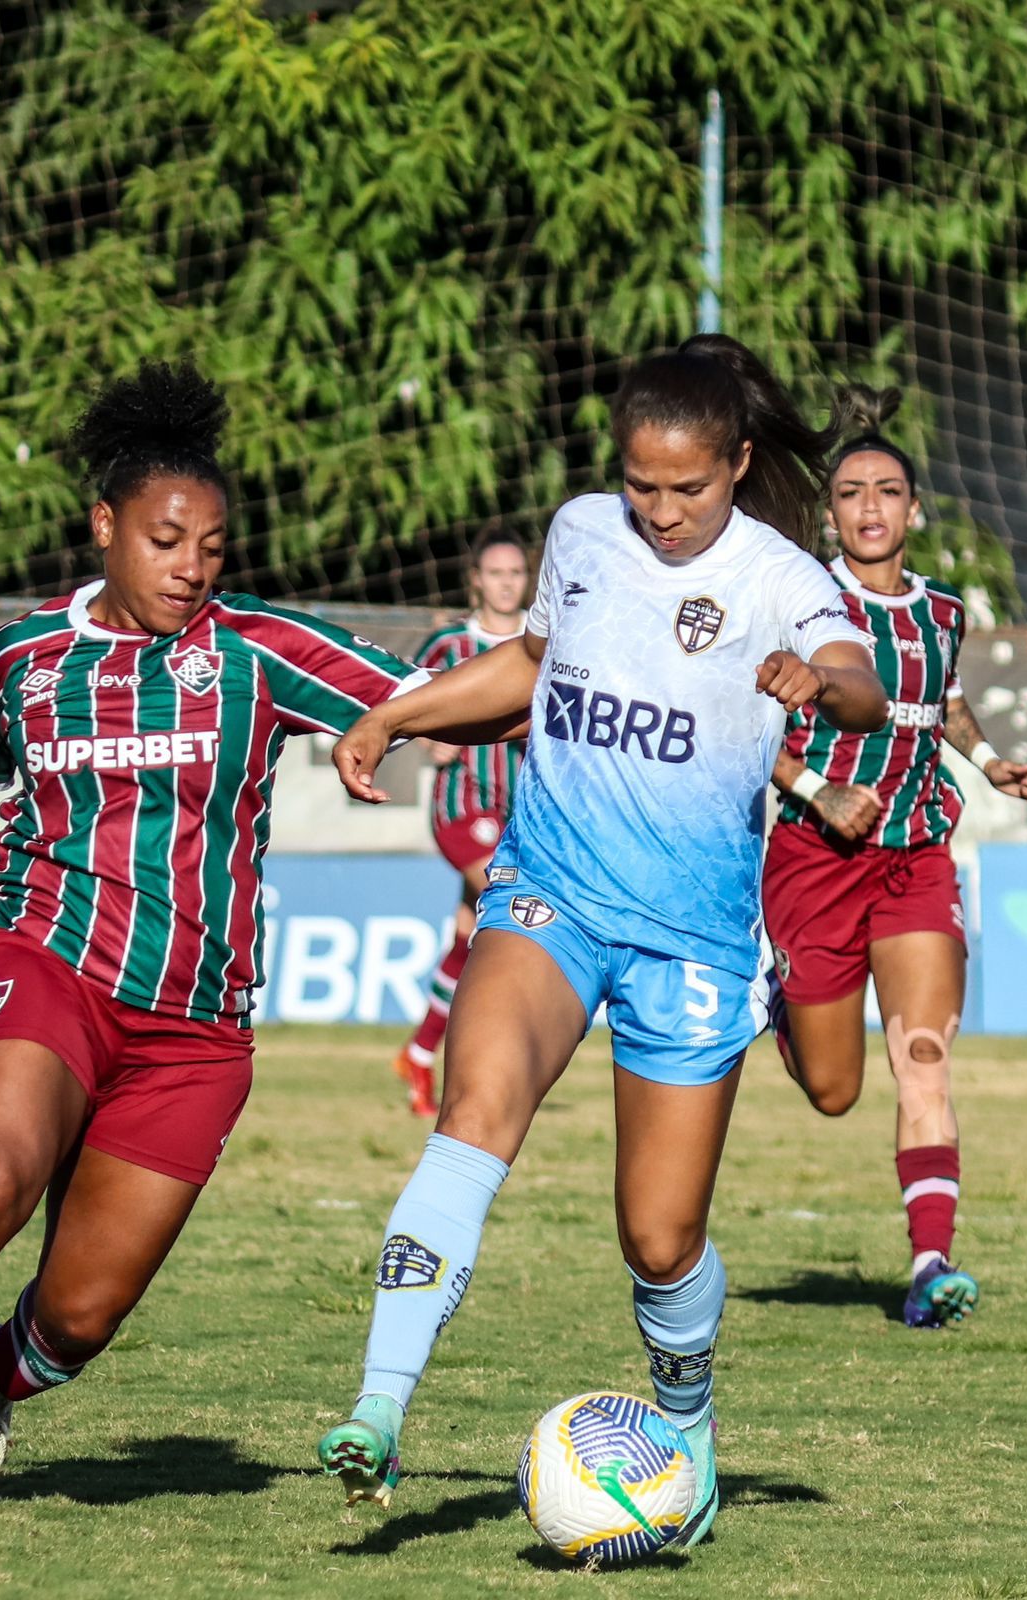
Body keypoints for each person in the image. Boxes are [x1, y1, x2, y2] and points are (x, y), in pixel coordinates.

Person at [0, 360, 470, 1531]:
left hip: (194, 1033)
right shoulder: (19, 658)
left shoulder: (258, 649)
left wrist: (542, 685)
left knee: (77, 1320)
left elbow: (438, 696)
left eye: (210, 546)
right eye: (165, 539)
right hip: (37, 959)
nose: (191, 566)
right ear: (105, 527)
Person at [315, 335, 887, 1553]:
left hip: (690, 942)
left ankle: (685, 1422)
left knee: (658, 1235)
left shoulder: (785, 576)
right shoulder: (580, 534)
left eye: (689, 486)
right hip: (550, 892)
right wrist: (401, 716)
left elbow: (859, 682)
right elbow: (532, 665)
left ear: (736, 463)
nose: (664, 511)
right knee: (475, 1111)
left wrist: (815, 682)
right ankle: (377, 1404)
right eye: (643, 484)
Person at [762, 386, 1027, 1330]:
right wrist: (818, 792)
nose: (871, 507)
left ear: (915, 510)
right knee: (834, 1091)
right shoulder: (801, 604)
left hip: (916, 853)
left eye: (888, 490)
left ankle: (930, 1264)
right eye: (851, 493)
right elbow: (744, 736)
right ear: (831, 512)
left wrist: (989, 759)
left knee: (924, 1056)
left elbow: (946, 703)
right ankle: (785, 1008)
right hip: (813, 861)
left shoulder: (945, 612)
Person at [391, 529, 531, 1115]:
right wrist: (427, 737)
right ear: (476, 579)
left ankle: (420, 1055)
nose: (506, 583)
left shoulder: (539, 642)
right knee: (515, 903)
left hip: (516, 809)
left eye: (516, 573)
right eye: (495, 573)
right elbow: (404, 703)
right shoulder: (449, 645)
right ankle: (497, 1065)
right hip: (461, 809)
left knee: (468, 938)